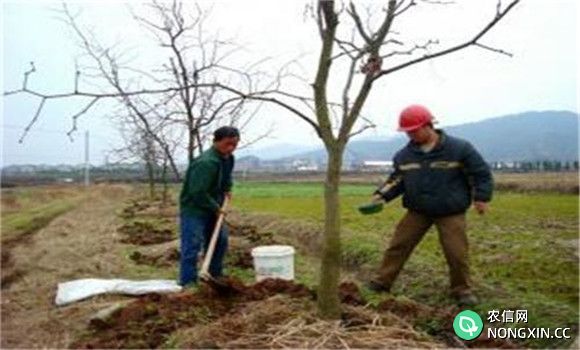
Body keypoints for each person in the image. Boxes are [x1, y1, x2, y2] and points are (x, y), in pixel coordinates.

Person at [367, 105, 493, 306]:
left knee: (456, 253)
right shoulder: (404, 155)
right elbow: (397, 180)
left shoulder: (459, 149)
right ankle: (382, 282)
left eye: (414, 130)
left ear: (428, 126)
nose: (410, 135)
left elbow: (481, 173)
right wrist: (381, 196)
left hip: (449, 210)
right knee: (398, 246)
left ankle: (462, 290)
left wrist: (482, 198)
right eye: (407, 132)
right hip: (418, 210)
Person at [178, 126, 239, 286]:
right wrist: (217, 208)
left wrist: (227, 189)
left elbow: (227, 178)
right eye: (227, 144)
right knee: (192, 244)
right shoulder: (206, 163)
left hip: (214, 206)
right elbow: (197, 192)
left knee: (220, 240)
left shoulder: (228, 158)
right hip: (195, 209)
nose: (231, 148)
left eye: (234, 144)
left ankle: (214, 275)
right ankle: (188, 282)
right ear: (216, 141)